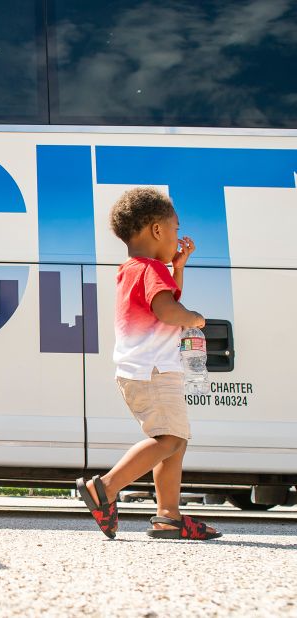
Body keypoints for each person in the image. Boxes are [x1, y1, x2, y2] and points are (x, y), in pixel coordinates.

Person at [76, 187, 221, 540]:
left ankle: (168, 516)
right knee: (169, 438)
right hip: (153, 370)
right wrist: (197, 317)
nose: (177, 237)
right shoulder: (151, 269)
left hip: (141, 370)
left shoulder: (135, 269)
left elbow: (163, 298)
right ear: (157, 231)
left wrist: (178, 268)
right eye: (175, 229)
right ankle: (105, 488)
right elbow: (167, 310)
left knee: (175, 439)